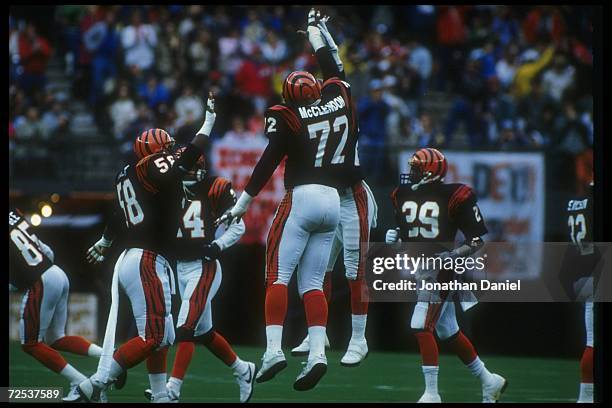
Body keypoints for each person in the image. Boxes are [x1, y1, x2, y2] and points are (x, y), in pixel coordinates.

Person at [216, 8, 363, 391]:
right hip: (335, 200)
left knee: (277, 276)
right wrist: (315, 33)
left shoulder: (287, 115)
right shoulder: (340, 95)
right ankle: (317, 353)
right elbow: (333, 65)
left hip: (302, 197)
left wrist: (243, 203)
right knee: (313, 282)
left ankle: (274, 350)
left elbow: (267, 162)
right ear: (316, 87)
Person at [79, 94, 217, 402]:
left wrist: (104, 241)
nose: (172, 153)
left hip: (141, 257)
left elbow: (118, 214)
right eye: (166, 149)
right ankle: (96, 382)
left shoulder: (128, 176)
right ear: (156, 155)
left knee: (164, 335)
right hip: (147, 259)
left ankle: (159, 395)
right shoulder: (153, 166)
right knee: (153, 335)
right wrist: (207, 125)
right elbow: (184, 162)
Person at [290, 14, 378, 368]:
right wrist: (315, 32)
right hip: (326, 196)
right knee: (318, 269)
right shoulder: (315, 107)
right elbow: (334, 67)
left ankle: (359, 338)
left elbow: (334, 67)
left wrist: (315, 32)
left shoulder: (338, 99)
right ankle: (318, 334)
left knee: (355, 270)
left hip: (352, 194)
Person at [385, 147, 507, 403]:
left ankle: (432, 394)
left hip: (441, 271)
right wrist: (395, 241)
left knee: (420, 325)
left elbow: (476, 241)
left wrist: (453, 256)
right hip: (423, 269)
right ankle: (489, 381)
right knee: (448, 331)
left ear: (430, 172)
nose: (411, 173)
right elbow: (409, 241)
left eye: (416, 168)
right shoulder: (402, 194)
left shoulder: (455, 195)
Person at [144, 147, 256, 403]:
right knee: (203, 333)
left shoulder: (215, 187)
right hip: (180, 266)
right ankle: (243, 370)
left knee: (185, 328)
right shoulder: (168, 190)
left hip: (204, 266)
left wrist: (217, 245)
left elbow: (239, 226)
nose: (189, 171)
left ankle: (172, 390)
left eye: (194, 166)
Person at [9, 208, 111, 402]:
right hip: (56, 272)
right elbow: (47, 251)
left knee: (30, 344)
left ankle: (79, 383)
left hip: (42, 280)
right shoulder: (14, 213)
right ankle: (111, 357)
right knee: (56, 338)